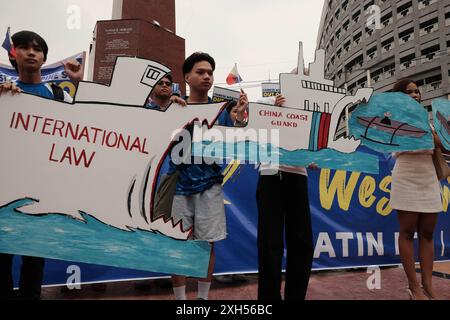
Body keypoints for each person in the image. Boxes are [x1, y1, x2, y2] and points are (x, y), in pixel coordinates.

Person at [0, 30, 82, 300]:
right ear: (15, 55)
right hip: (5, 191)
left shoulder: (59, 95)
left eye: (37, 48)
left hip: (43, 193)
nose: (31, 52)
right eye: (23, 47)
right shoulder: (4, 95)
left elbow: (88, 129)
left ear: (44, 56)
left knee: (34, 262)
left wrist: (79, 84)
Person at [170, 52, 247, 300]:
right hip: (178, 186)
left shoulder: (222, 110)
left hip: (210, 187)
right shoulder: (173, 107)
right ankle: (181, 301)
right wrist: (170, 109)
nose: (206, 77)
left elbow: (236, 142)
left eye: (210, 73)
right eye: (200, 72)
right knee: (177, 243)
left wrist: (240, 119)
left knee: (207, 244)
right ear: (186, 77)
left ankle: (202, 300)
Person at [390, 78, 446, 300]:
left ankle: (429, 286)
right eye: (409, 92)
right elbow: (402, 142)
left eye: (416, 92)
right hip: (406, 175)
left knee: (428, 233)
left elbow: (441, 144)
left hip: (428, 176)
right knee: (407, 232)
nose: (415, 95)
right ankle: (413, 288)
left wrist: (433, 132)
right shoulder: (391, 120)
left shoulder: (428, 120)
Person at [255, 93, 315, 300]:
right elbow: (251, 112)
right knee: (269, 241)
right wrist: (274, 104)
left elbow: (317, 144)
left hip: (298, 175)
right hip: (270, 173)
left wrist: (316, 155)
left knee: (302, 241)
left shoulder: (311, 111)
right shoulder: (272, 104)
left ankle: (296, 296)